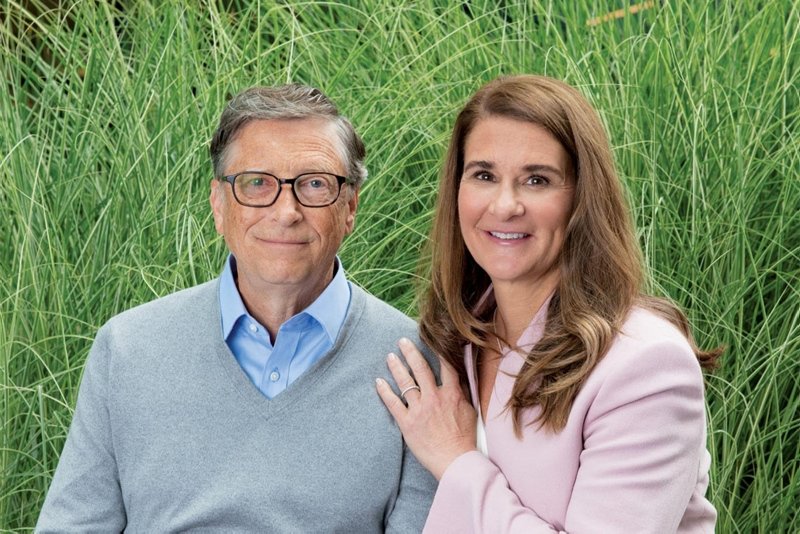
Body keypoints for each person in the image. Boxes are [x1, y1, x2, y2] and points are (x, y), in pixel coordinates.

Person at [37, 84, 436, 532]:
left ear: (350, 208)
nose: (286, 211)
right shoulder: (127, 349)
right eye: (257, 183)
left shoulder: (418, 365)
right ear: (218, 205)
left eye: (314, 184)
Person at [375, 75, 721, 533]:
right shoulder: (456, 338)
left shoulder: (647, 366)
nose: (505, 205)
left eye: (537, 180)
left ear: (582, 198)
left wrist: (457, 461)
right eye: (484, 175)